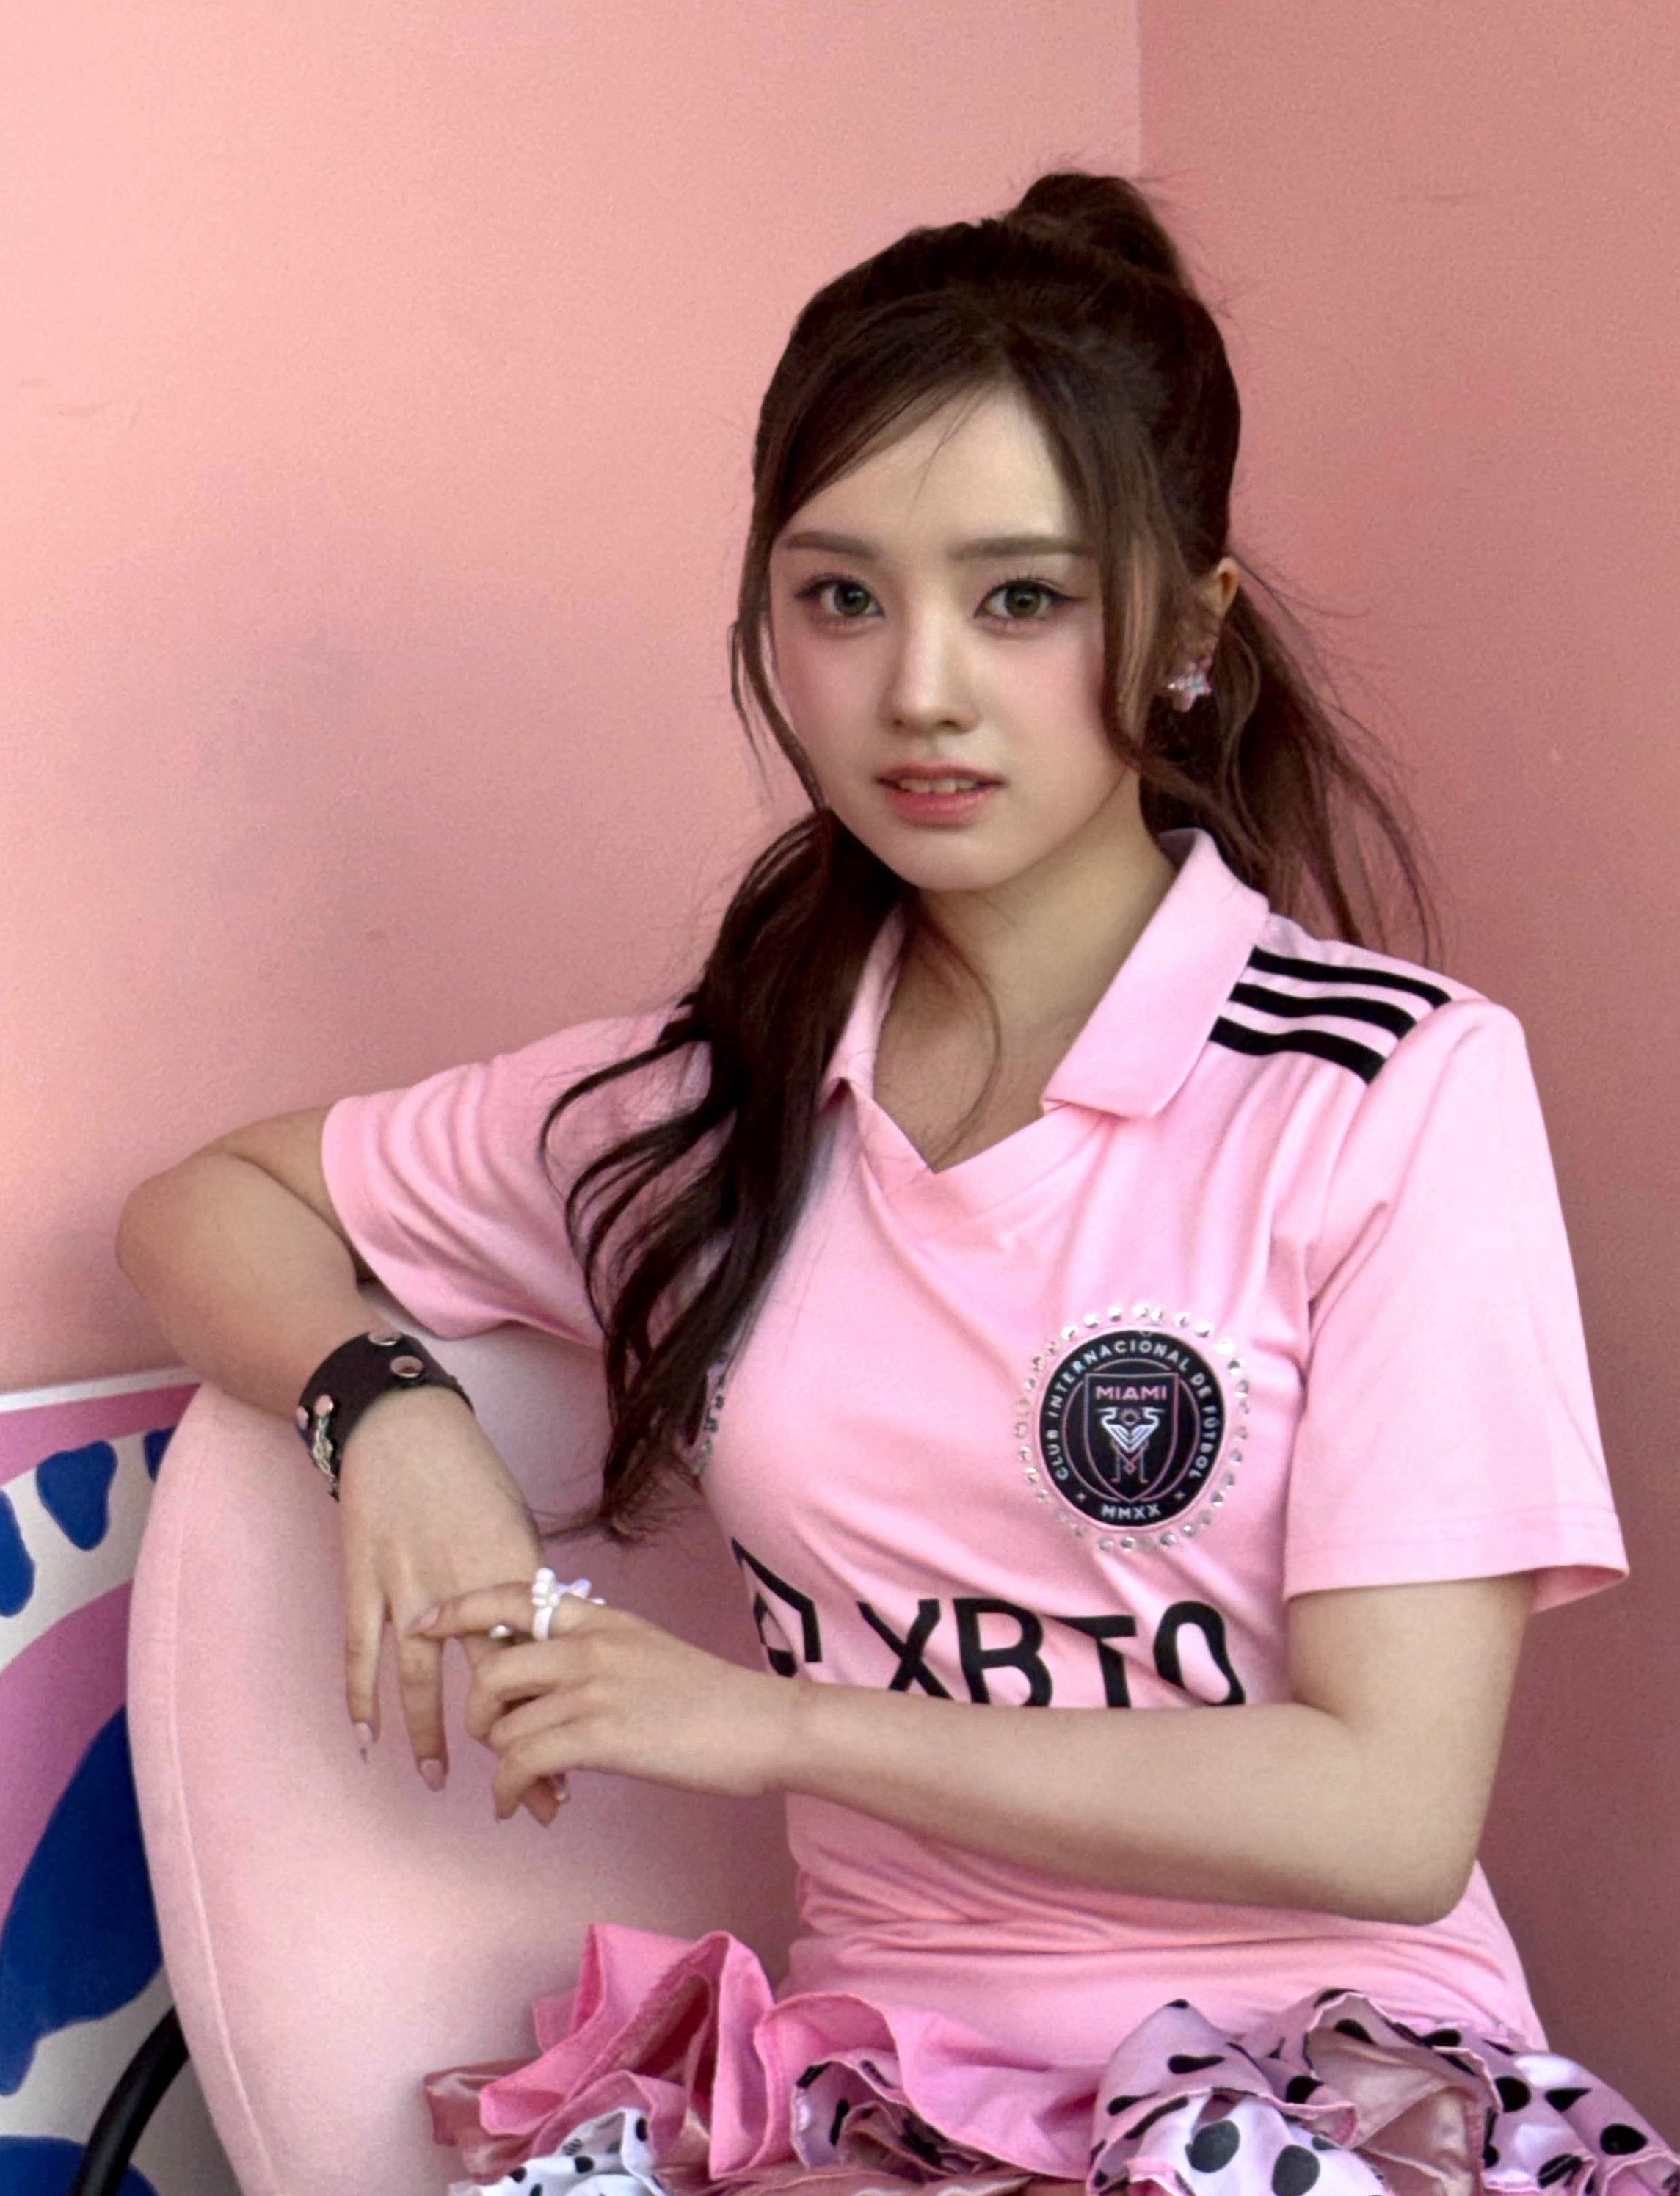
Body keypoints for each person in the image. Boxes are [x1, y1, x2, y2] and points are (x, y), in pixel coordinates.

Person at [116, 172, 1676, 2196]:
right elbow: (203, 1209)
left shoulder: (1388, 1089)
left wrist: (773, 1728)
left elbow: (1385, 1813)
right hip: (885, 2102)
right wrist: (386, 1413)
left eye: (1020, 600)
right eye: (841, 598)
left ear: (1188, 627)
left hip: (1321, 2076)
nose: (919, 689)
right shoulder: (709, 1107)